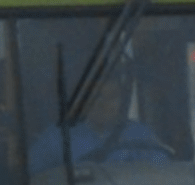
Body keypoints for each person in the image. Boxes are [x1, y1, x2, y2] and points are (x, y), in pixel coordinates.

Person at [27, 72, 171, 174]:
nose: (104, 103)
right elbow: (33, 183)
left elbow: (162, 176)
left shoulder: (141, 135)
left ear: (122, 101)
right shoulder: (55, 138)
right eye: (96, 96)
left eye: (112, 97)